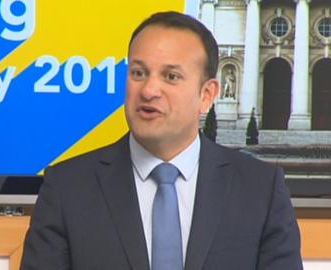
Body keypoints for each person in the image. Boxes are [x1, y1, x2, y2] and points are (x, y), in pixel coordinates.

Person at [20, 11, 303, 270]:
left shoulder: (261, 190)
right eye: (138, 73)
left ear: (207, 94)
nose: (149, 90)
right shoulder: (67, 188)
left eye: (171, 76)